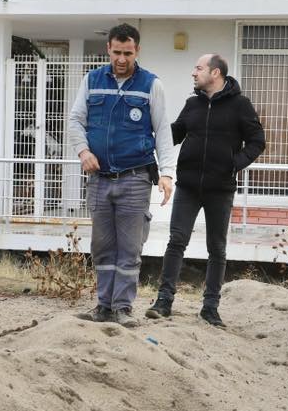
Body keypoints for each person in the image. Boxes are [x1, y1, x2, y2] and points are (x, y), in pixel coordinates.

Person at [67, 23, 176, 325]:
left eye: (128, 53)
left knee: (129, 248)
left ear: (137, 51)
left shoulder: (151, 85)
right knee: (102, 246)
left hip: (135, 178)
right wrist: (83, 151)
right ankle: (103, 306)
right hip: (99, 180)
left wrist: (166, 173)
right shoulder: (92, 80)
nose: (122, 59)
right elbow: (75, 120)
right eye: (117, 52)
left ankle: (123, 308)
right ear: (108, 49)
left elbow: (162, 130)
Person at [146, 54, 265, 327]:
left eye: (198, 68)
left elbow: (257, 140)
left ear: (215, 73)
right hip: (188, 185)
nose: (193, 73)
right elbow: (174, 134)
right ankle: (164, 301)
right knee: (176, 241)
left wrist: (234, 164)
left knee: (217, 249)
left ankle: (210, 308)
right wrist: (149, 134)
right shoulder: (192, 104)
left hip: (220, 189)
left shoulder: (240, 105)